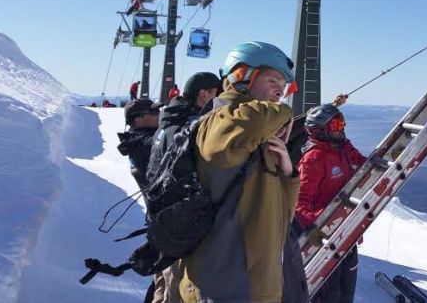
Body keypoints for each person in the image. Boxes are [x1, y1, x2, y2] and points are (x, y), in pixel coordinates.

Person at [178, 42, 301, 303]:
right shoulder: (219, 122)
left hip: (255, 288)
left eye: (283, 85)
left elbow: (280, 219)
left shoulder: (257, 137)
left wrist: (287, 174)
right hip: (222, 288)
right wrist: (285, 114)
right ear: (241, 76)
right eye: (273, 80)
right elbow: (248, 123)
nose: (280, 91)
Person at [144, 71, 221, 303]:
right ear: (203, 94)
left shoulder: (170, 121)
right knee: (175, 288)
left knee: (163, 284)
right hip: (178, 221)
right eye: (217, 95)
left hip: (162, 217)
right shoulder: (188, 127)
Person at [295, 99, 366, 303]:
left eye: (342, 122)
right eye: (336, 124)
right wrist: (322, 226)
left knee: (347, 287)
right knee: (330, 293)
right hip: (325, 236)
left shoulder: (343, 147)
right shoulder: (313, 159)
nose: (341, 128)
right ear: (320, 130)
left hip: (346, 232)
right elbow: (299, 204)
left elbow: (362, 163)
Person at [117, 98, 162, 191]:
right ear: (137, 120)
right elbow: (163, 141)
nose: (160, 114)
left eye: (159, 111)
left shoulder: (140, 139)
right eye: (154, 112)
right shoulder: (140, 143)